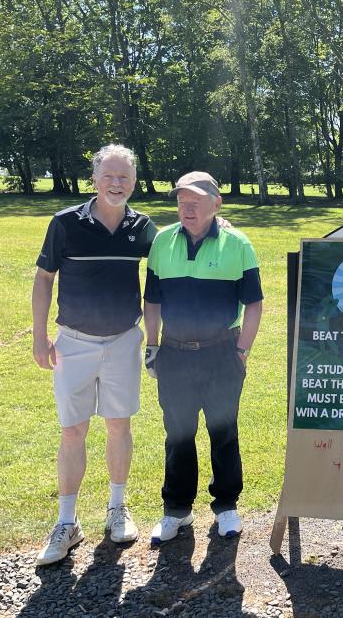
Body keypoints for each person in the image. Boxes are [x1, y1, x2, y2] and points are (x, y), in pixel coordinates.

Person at [31, 144, 157, 566]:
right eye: (109, 176)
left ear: (134, 182)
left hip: (123, 340)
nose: (116, 184)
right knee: (73, 430)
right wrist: (39, 336)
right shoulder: (65, 223)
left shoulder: (143, 227)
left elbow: (174, 253)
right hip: (74, 342)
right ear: (95, 179)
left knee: (119, 425)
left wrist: (217, 222)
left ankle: (117, 508)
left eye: (124, 177)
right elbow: (44, 278)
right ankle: (67, 522)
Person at [143, 171, 263, 544]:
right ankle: (177, 510)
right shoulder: (163, 242)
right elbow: (152, 301)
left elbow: (254, 303)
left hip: (222, 353)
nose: (187, 208)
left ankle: (226, 506)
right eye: (182, 202)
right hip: (174, 353)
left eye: (196, 202)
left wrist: (242, 349)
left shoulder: (238, 244)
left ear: (216, 204)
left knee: (223, 431)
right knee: (178, 434)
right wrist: (152, 345)